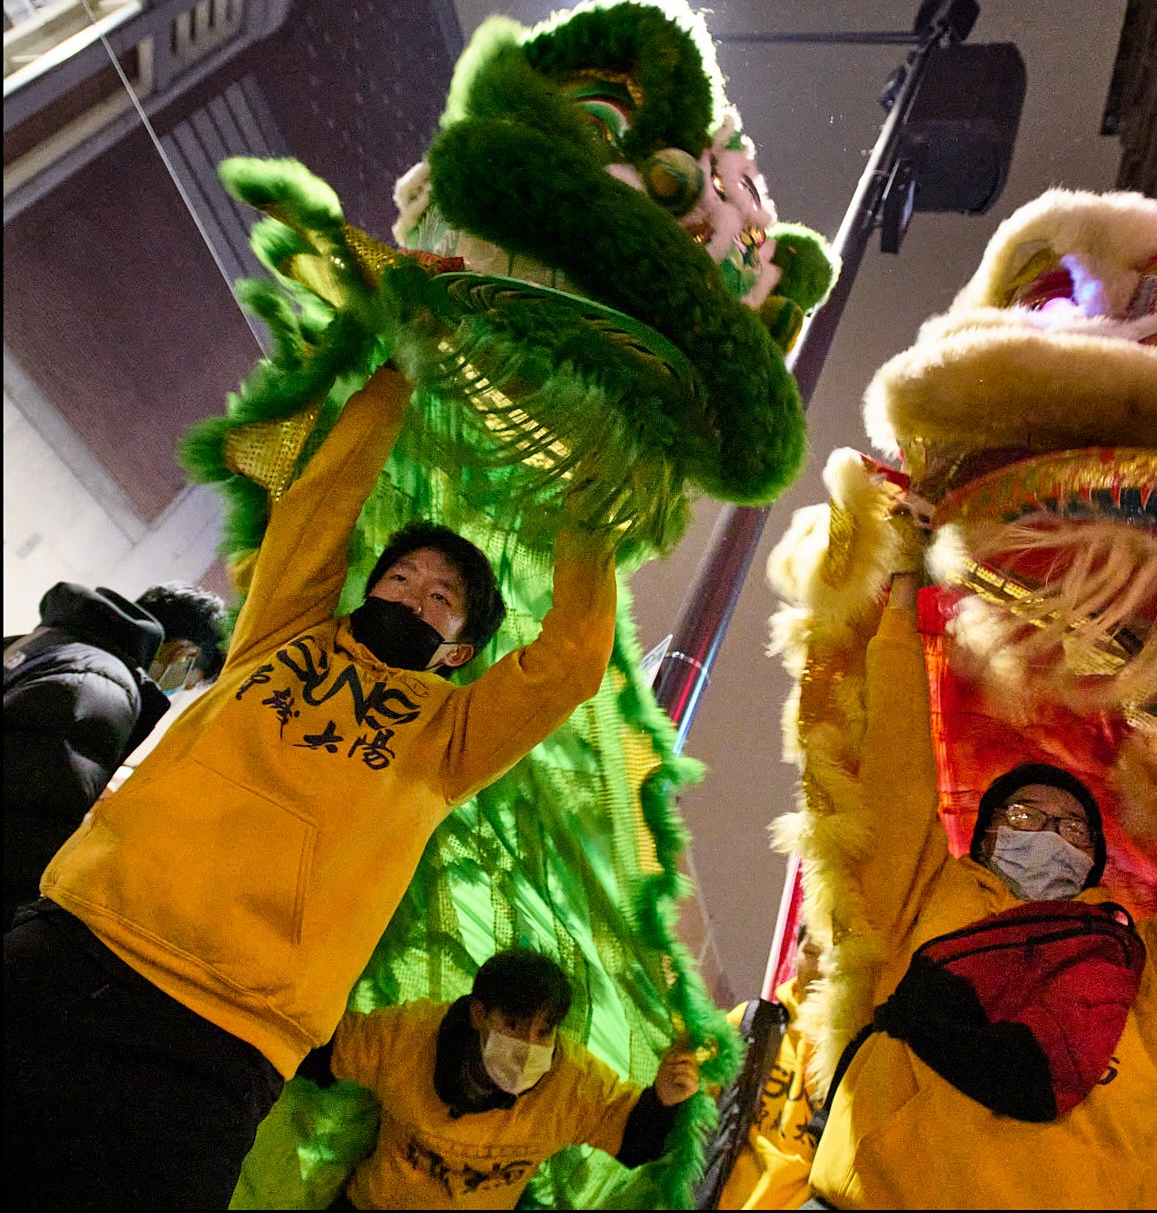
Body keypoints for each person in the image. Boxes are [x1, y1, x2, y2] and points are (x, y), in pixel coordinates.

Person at [3, 363, 619, 1209]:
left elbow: (571, 662)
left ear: (460, 651)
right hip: (76, 941)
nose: (415, 593)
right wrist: (398, 367)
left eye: (442, 598)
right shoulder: (280, 632)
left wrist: (586, 515)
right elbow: (320, 503)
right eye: (401, 578)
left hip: (219, 1043)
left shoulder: (453, 737)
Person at [803, 571, 1157, 1209]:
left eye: (1071, 827)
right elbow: (898, 761)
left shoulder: (1150, 971)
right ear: (985, 838)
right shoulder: (923, 893)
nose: (1048, 833)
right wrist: (902, 603)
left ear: (1094, 859)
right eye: (1023, 818)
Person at [298, 946, 700, 1209]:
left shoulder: (570, 1083)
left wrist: (664, 1098)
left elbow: (634, 1142)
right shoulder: (409, 1037)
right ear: (478, 1015)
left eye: (543, 1032)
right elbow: (314, 1048)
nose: (528, 1046)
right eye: (512, 1024)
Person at [2, 579, 225, 927]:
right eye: (190, 679)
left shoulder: (50, 644)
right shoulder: (102, 687)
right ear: (185, 654)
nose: (180, 689)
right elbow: (27, 827)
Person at [699, 925, 823, 1209]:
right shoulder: (752, 1024)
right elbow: (691, 1118)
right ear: (795, 955)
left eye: (832, 958)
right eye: (811, 952)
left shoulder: (855, 1059)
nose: (819, 968)